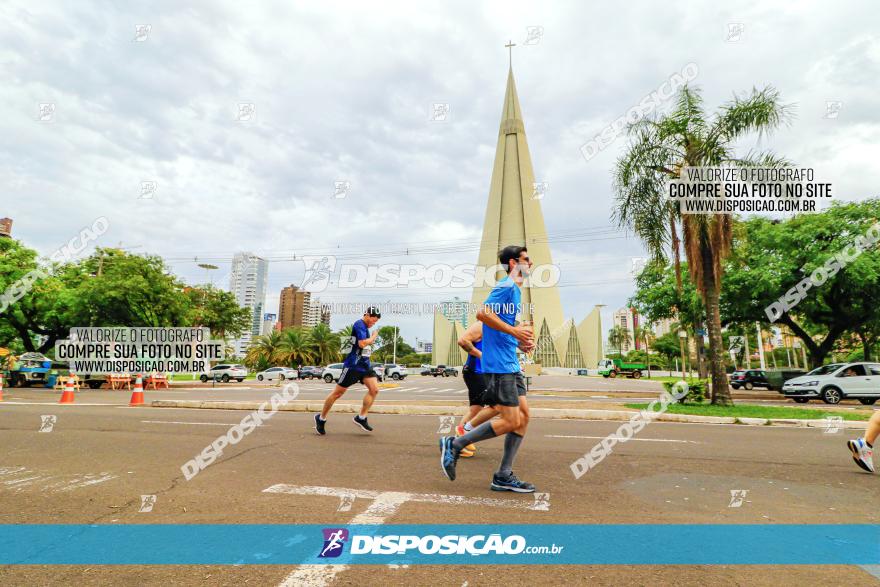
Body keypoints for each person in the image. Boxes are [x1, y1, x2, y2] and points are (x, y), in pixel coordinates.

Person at [439, 245, 535, 492]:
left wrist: (519, 342)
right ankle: (456, 444)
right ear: (514, 263)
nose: (531, 263)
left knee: (523, 418)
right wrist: (515, 331)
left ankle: (503, 475)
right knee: (511, 419)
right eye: (526, 259)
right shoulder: (505, 286)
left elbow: (498, 327)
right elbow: (482, 313)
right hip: (499, 366)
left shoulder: (514, 291)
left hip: (510, 363)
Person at [315, 307, 381, 435]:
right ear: (367, 315)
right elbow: (362, 344)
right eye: (372, 321)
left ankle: (361, 418)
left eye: (375, 323)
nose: (373, 324)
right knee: (337, 394)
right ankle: (321, 418)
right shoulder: (359, 325)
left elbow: (361, 347)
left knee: (374, 390)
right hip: (353, 366)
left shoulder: (365, 327)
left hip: (365, 365)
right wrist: (373, 337)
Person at [456, 321, 486, 458]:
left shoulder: (494, 328)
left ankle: (463, 438)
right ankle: (459, 442)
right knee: (476, 410)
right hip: (474, 371)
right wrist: (481, 355)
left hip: (483, 372)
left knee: (477, 409)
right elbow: (462, 341)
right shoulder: (481, 325)